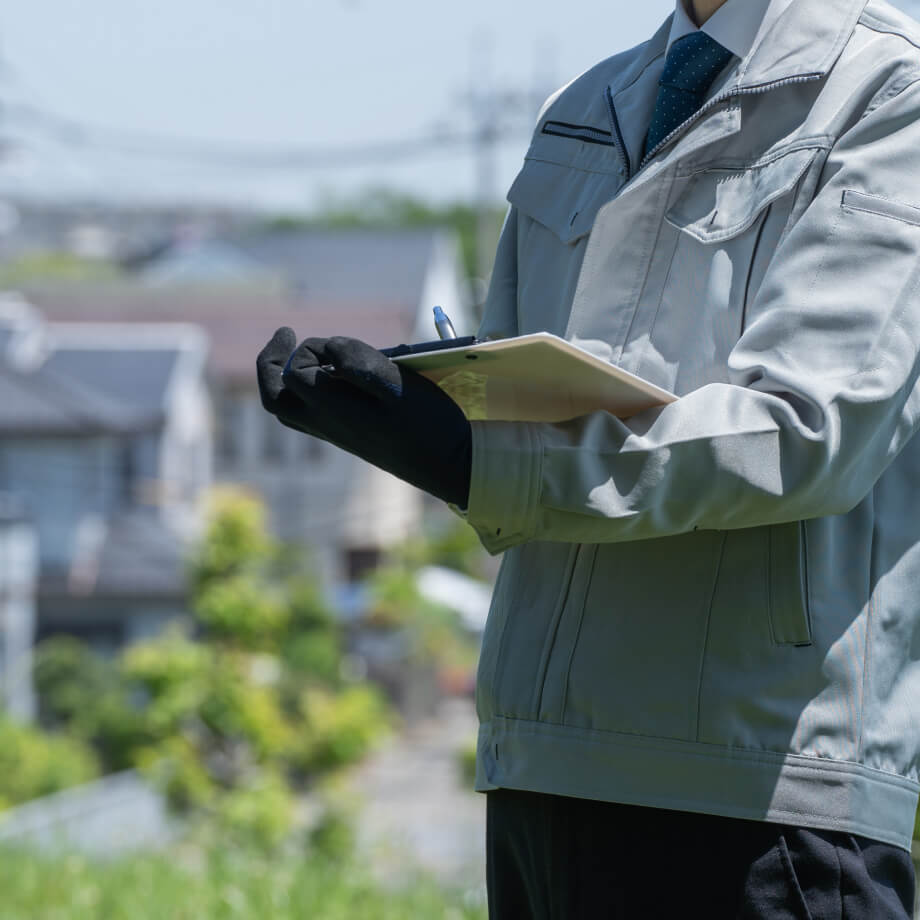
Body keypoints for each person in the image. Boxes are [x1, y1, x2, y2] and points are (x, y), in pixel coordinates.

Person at [258, 0, 920, 913]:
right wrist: (417, 420)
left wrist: (476, 462)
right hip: (539, 766)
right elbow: (518, 404)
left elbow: (807, 431)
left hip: (763, 790)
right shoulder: (588, 102)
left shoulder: (890, 90)